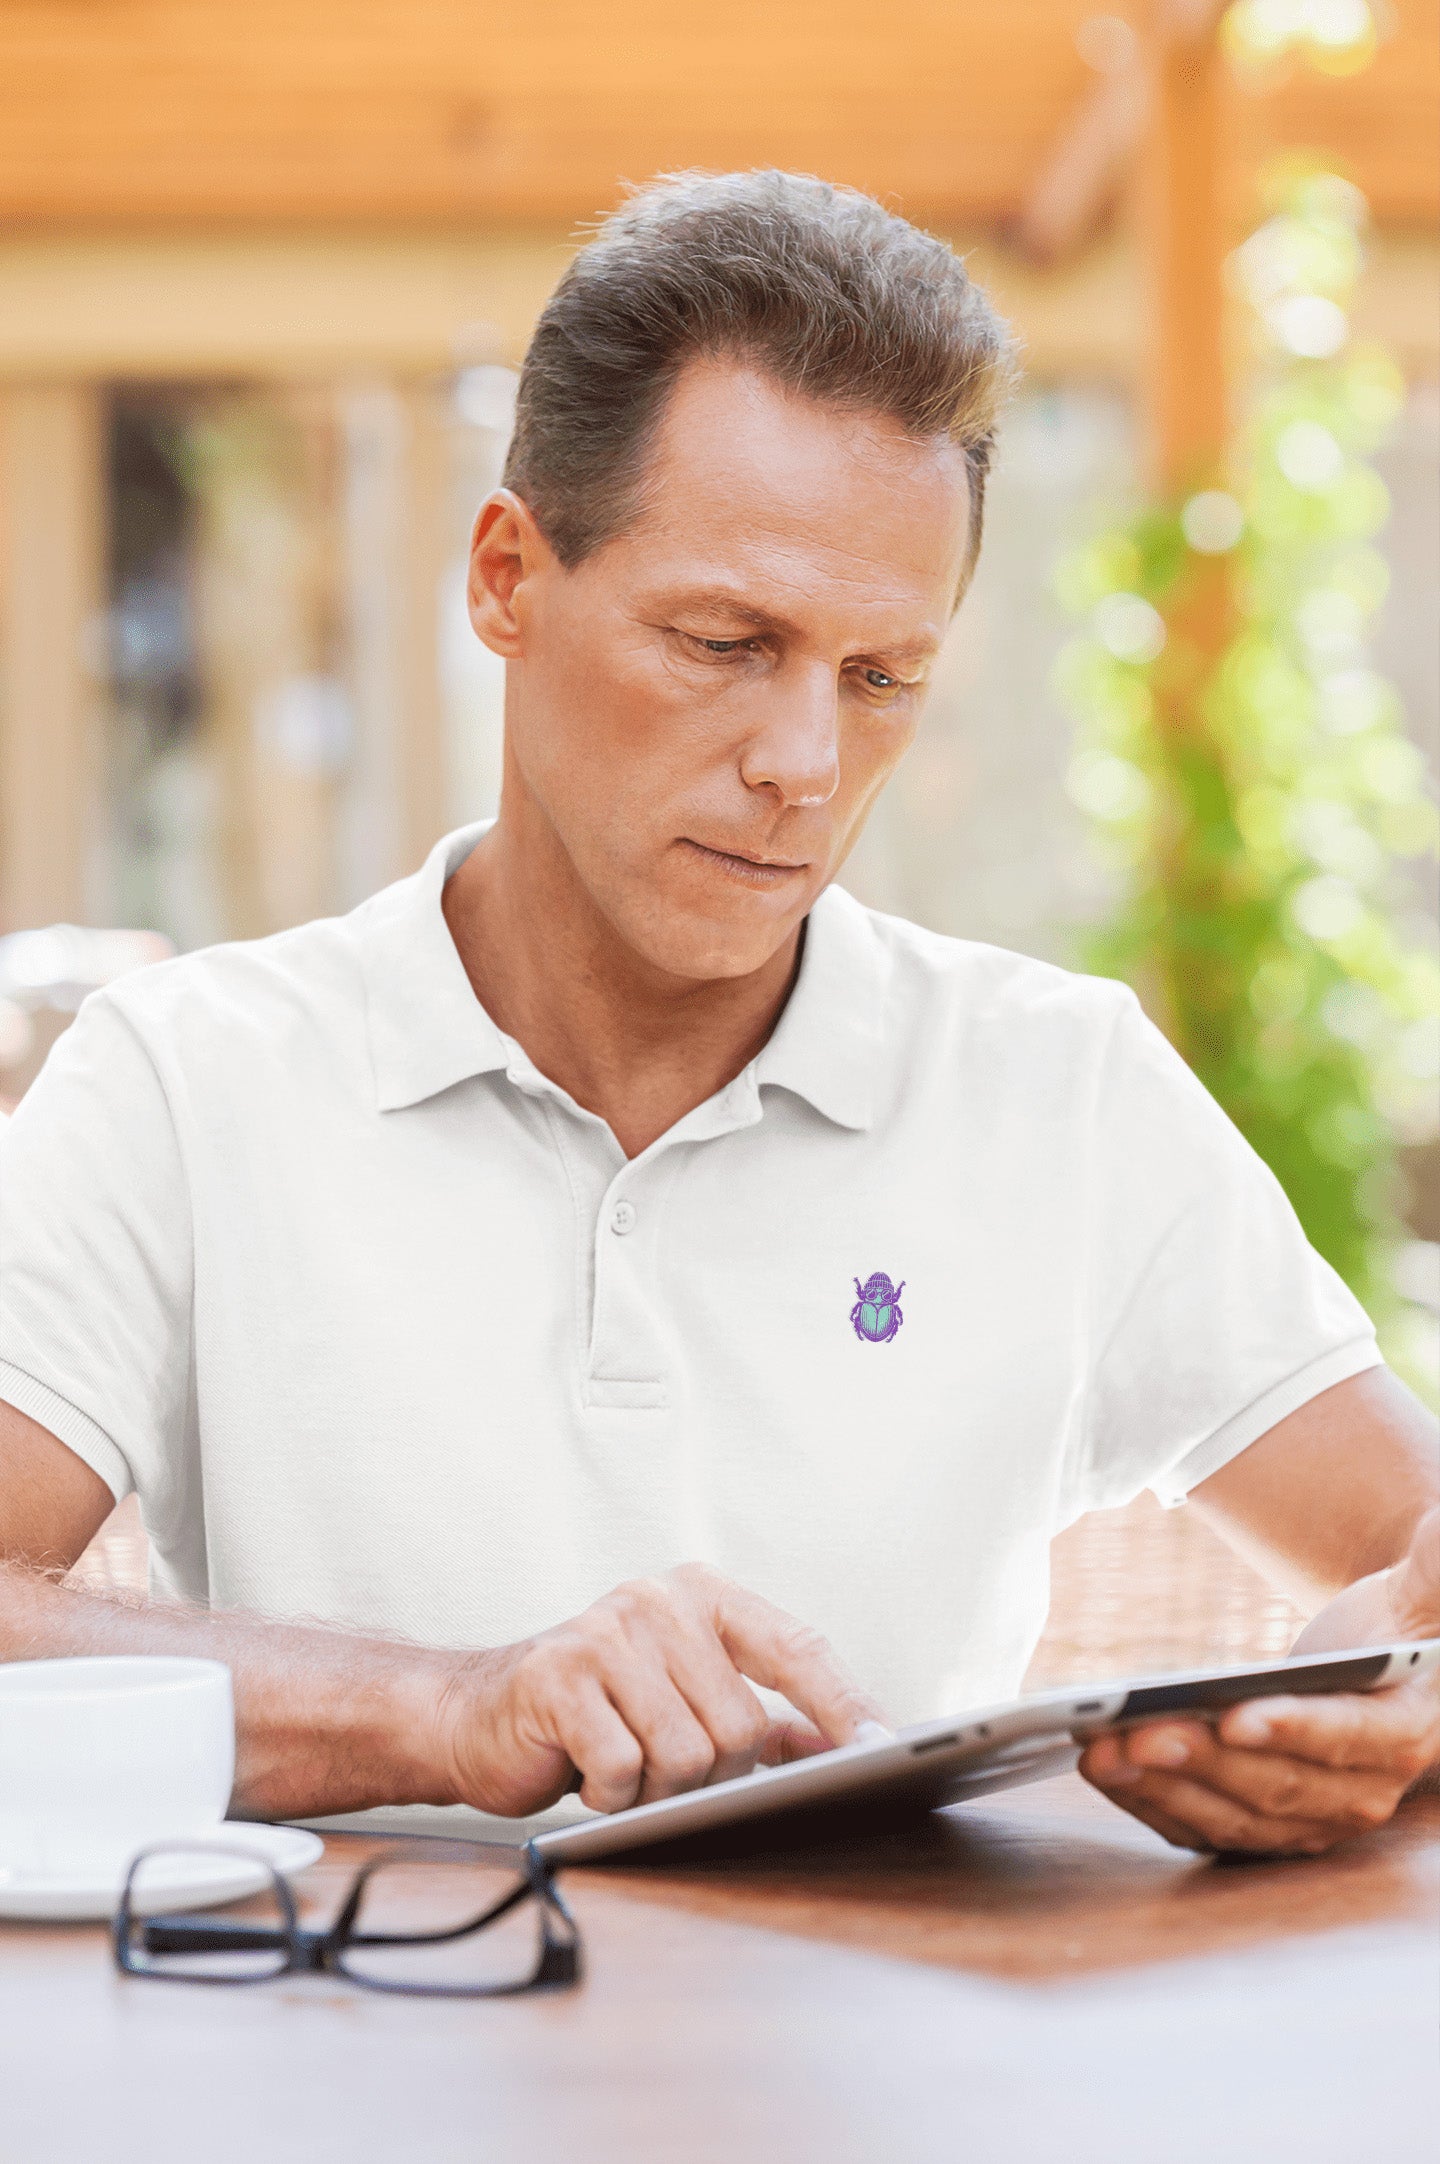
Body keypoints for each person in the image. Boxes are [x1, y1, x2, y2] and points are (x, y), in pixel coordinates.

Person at [1, 171, 1436, 1857]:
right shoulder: (187, 1084)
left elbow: (1415, 1540)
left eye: (880, 676)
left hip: (903, 2097)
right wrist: (455, 1710)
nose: (805, 766)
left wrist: (1385, 1694)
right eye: (724, 640)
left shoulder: (1060, 1089)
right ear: (506, 580)